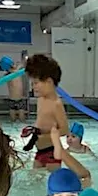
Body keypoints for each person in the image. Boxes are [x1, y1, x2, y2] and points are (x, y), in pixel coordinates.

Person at [24, 54, 90, 184]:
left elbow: (64, 129)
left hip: (52, 152)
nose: (33, 87)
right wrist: (34, 131)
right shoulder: (40, 99)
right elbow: (41, 121)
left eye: (36, 83)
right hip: (39, 150)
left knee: (54, 183)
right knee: (33, 181)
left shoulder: (56, 104)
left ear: (49, 82)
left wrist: (46, 136)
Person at [3, 57, 28, 123]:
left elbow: (22, 65)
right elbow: (21, 65)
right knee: (19, 119)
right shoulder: (14, 73)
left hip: (15, 99)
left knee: (16, 119)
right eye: (13, 64)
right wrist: (18, 64)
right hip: (16, 99)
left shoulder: (13, 73)